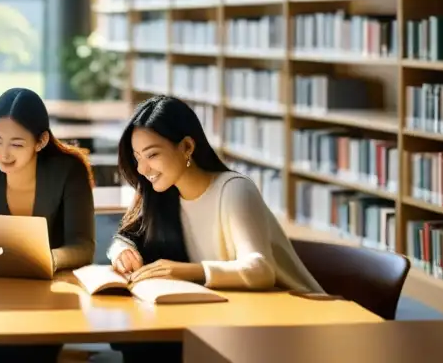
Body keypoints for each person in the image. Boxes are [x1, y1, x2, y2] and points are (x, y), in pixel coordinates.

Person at [107, 94, 323, 363]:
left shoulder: (234, 189)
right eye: (137, 157)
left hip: (289, 325)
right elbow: (127, 235)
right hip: (232, 318)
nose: (142, 168)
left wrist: (185, 271)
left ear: (187, 147)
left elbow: (260, 269)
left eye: (152, 154)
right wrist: (121, 251)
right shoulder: (162, 193)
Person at [0, 86, 96, 363]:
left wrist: (43, 259)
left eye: (16, 144)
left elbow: (83, 246)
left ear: (40, 141)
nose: (3, 154)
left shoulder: (68, 170)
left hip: (47, 292)